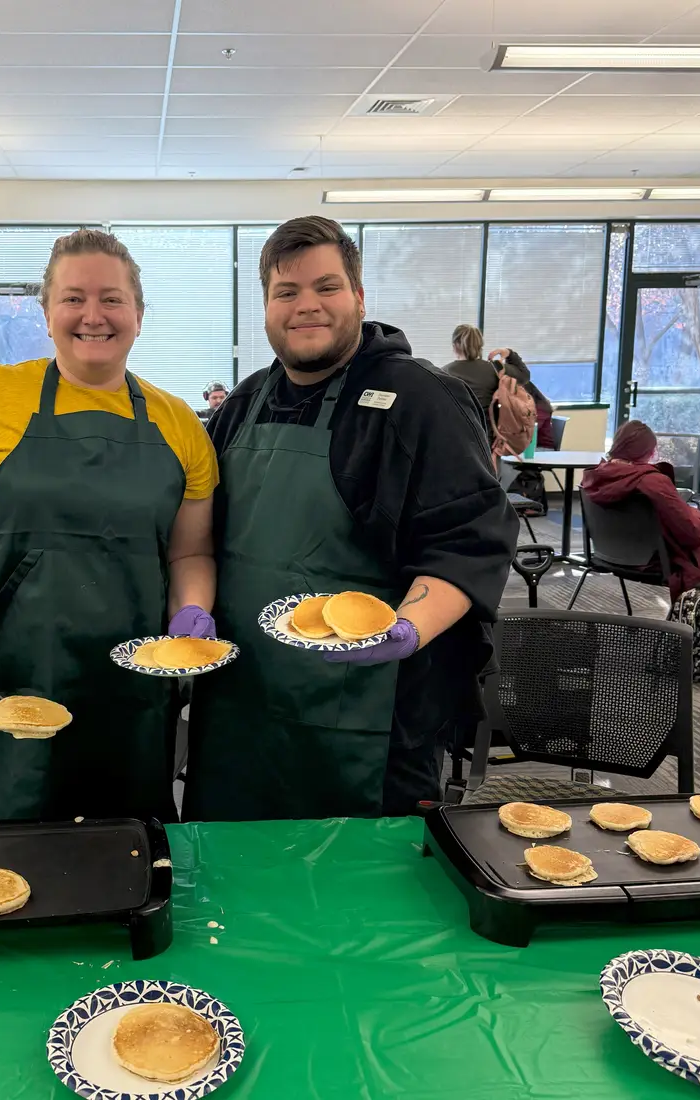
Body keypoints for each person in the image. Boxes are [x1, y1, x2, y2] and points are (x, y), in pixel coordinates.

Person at [0, 228, 218, 825]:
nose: (93, 316)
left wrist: (192, 616)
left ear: (138, 312)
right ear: (47, 311)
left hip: (127, 695)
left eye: (112, 298)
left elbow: (190, 554)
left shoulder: (179, 422)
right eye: (73, 298)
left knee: (123, 862)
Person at [183, 216, 517, 822]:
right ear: (265, 307)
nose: (306, 306)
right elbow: (197, 538)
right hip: (241, 708)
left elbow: (470, 541)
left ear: (359, 297)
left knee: (369, 899)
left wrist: (410, 627)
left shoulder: (421, 401)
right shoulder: (244, 402)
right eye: (287, 292)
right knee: (229, 886)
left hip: (369, 718)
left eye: (326, 287)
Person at [581, 420, 700, 601]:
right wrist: (696, 514)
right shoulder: (651, 481)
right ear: (649, 452)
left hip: (608, 553)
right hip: (656, 560)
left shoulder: (592, 478)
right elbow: (693, 533)